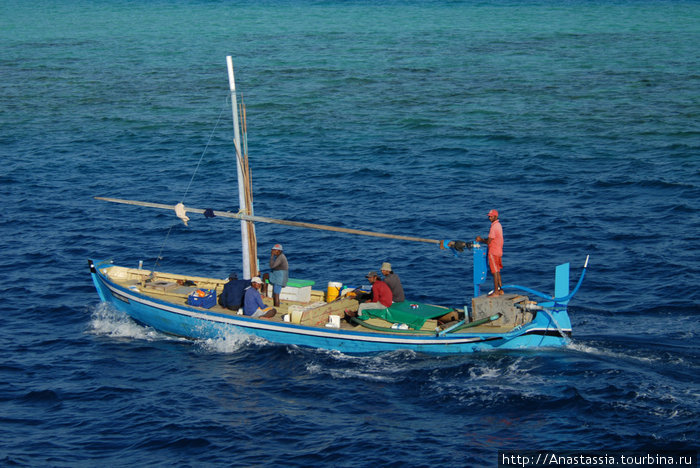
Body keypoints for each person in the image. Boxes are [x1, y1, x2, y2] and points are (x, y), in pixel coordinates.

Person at [476, 209, 504, 296]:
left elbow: (489, 241)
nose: (489, 218)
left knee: (494, 271)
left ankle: (496, 291)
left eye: (491, 216)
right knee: (498, 271)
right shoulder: (499, 225)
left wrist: (480, 239)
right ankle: (500, 290)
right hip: (499, 251)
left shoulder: (494, 227)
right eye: (489, 216)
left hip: (493, 252)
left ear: (495, 216)